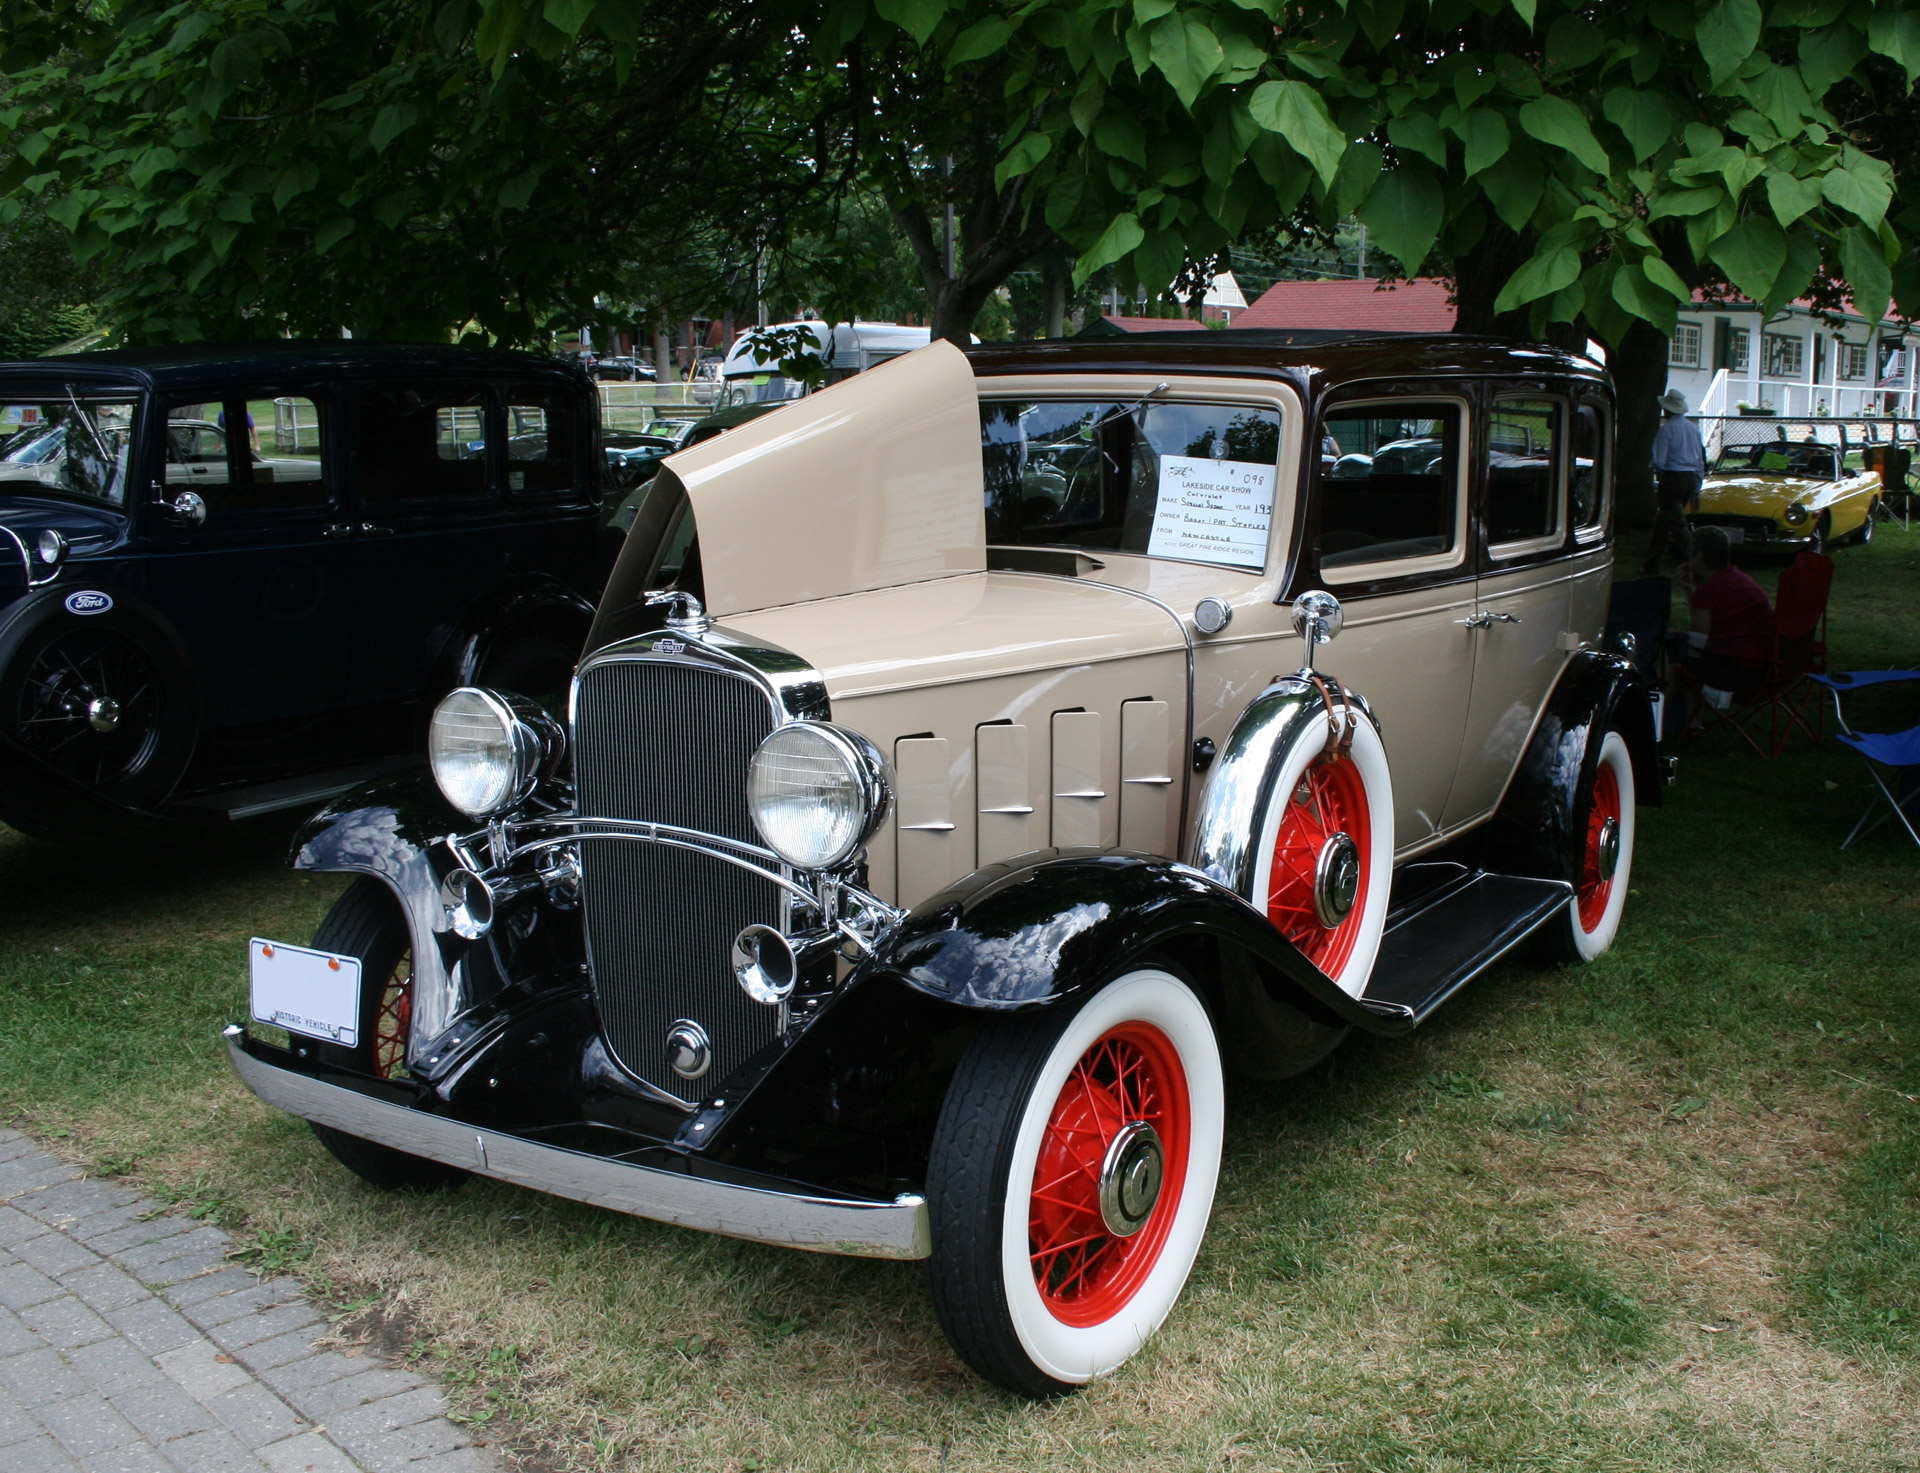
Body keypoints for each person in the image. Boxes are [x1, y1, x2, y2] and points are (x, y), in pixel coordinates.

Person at [1671, 526, 1772, 720]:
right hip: (1765, 666)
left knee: (1676, 656)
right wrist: (1688, 590)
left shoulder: (1709, 590)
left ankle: (1658, 714)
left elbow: (1698, 643)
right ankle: (1690, 720)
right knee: (1686, 655)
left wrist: (1675, 636)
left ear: (1699, 556)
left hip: (1737, 672)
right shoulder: (1740, 580)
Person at [1641, 388, 1705, 574]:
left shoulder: (1667, 429)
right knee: (1664, 523)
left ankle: (1695, 565)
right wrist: (1697, 485)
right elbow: (1700, 459)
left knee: (1678, 526)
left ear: (1668, 409)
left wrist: (1657, 471)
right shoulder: (1693, 429)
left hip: (1673, 478)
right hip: (1691, 477)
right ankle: (1650, 564)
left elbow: (1659, 460)